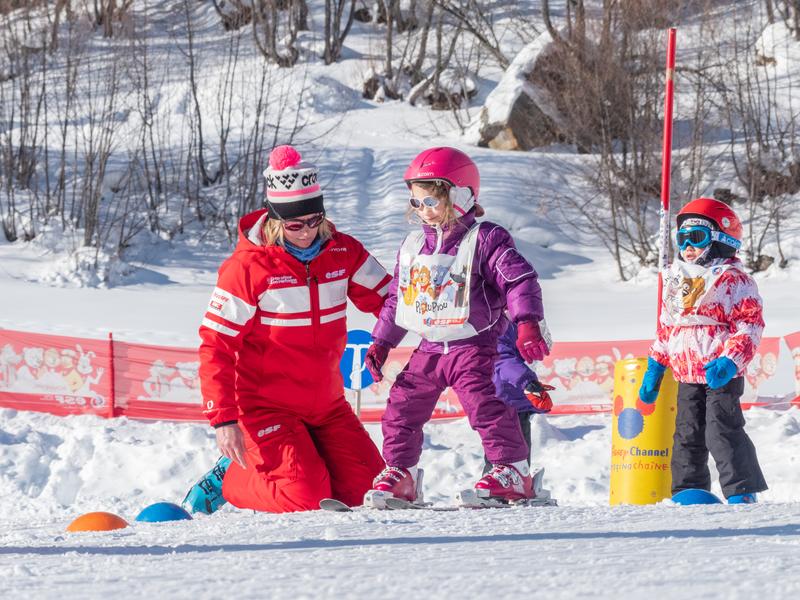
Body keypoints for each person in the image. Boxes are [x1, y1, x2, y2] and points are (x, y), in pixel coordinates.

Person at [183, 145, 390, 514]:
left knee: (366, 491)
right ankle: (232, 477)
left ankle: (297, 465)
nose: (308, 233)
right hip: (266, 408)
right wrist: (223, 419)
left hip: (327, 406)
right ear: (277, 221)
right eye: (295, 225)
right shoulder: (247, 269)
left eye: (315, 221)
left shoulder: (342, 253)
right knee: (306, 498)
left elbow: (390, 300)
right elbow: (215, 345)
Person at [362, 146, 551, 506]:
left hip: (475, 345)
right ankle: (401, 472)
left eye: (432, 201)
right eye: (417, 203)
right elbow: (398, 299)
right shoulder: (414, 245)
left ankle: (513, 471)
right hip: (430, 347)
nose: (424, 212)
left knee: (486, 405)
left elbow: (519, 280)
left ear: (461, 195)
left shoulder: (484, 239)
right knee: (402, 405)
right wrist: (381, 342)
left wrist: (527, 322)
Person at [639, 197, 768, 504]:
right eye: (681, 239)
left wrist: (729, 359)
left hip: (719, 372)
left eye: (696, 238)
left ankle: (741, 490)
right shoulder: (676, 279)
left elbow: (749, 325)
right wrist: (655, 368)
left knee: (721, 431)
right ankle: (689, 490)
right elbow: (668, 328)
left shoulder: (733, 280)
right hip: (686, 373)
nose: (687, 247)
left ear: (721, 240)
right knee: (686, 434)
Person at [486, 317, 555, 475]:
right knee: (506, 449)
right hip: (504, 400)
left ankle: (518, 483)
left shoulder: (512, 325)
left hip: (514, 399)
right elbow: (502, 360)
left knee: (519, 451)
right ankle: (500, 485)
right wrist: (528, 382)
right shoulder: (498, 326)